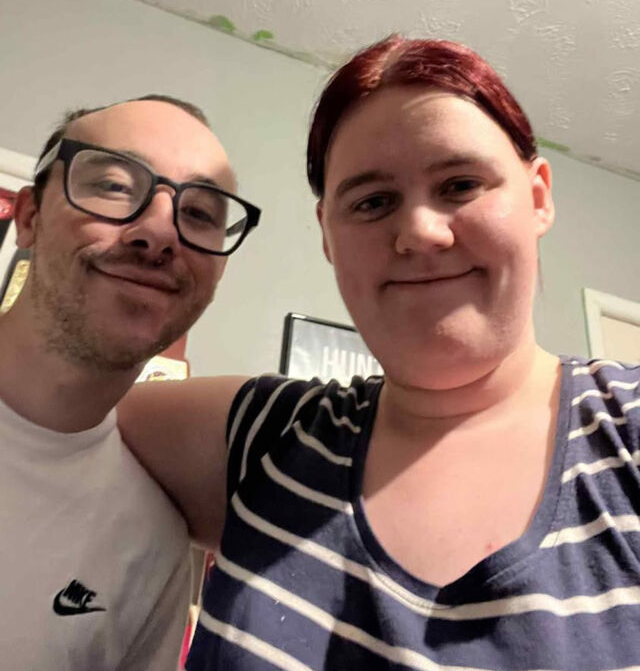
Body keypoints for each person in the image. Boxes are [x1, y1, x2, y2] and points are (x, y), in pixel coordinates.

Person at [118, 39, 640, 671]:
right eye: (372, 202)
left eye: (460, 184)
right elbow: (52, 400)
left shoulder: (627, 431)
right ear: (327, 235)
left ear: (537, 198)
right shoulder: (269, 434)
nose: (420, 231)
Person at [0, 94, 260, 670]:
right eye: (115, 186)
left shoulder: (153, 542)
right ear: (29, 217)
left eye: (200, 214)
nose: (160, 233)